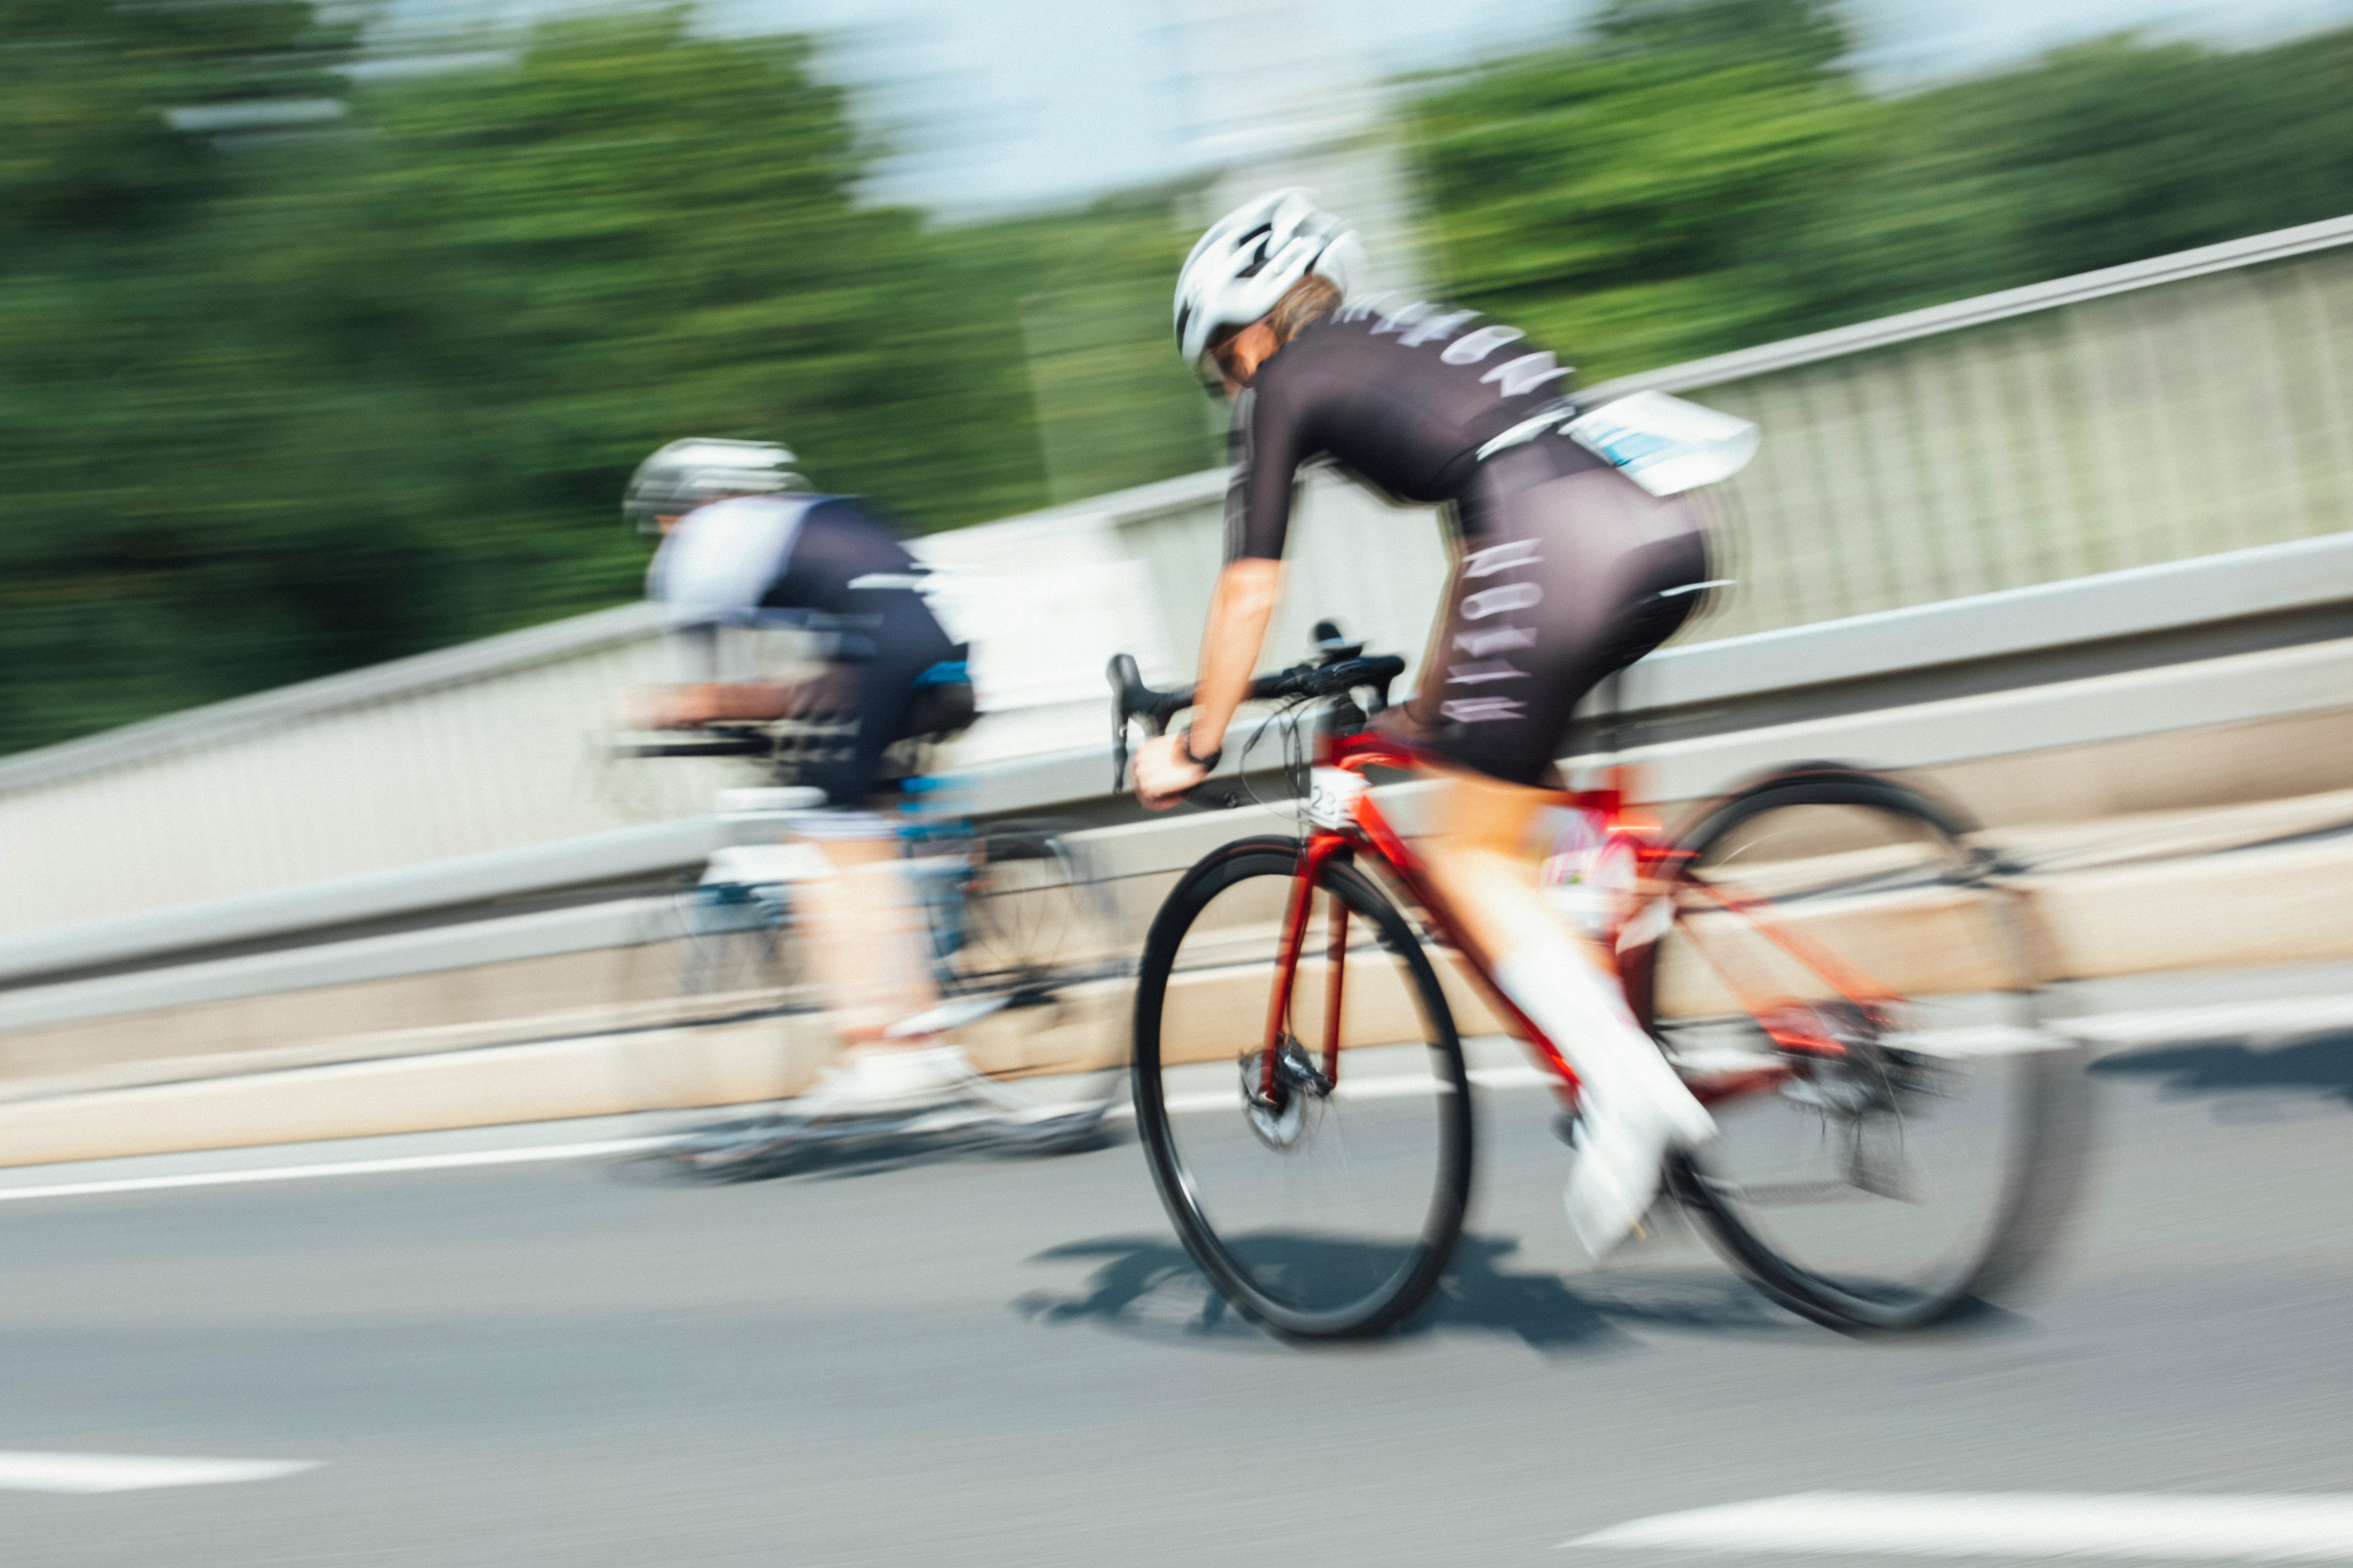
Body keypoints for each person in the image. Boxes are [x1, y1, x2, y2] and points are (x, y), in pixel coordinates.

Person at [1133, 192, 1720, 1258]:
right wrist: (1438, 702)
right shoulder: (1418, 337)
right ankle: (1608, 955)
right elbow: (1481, 532)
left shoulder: (1288, 383)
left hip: (1550, 542)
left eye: (1222, 364)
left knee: (1466, 862)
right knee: (1519, 812)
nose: (1232, 387)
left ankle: (1631, 1086)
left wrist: (1196, 743)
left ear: (1253, 327)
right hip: (1657, 522)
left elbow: (1248, 590)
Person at [626, 438, 979, 1108]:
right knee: (876, 803)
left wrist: (666, 709)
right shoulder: (808, 516)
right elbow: (837, 666)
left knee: (825, 837)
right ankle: (952, 916)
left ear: (679, 508)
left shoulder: (698, 543)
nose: (665, 535)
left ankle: (885, 1044)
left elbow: (712, 692)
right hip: (943, 647)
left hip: (881, 648)